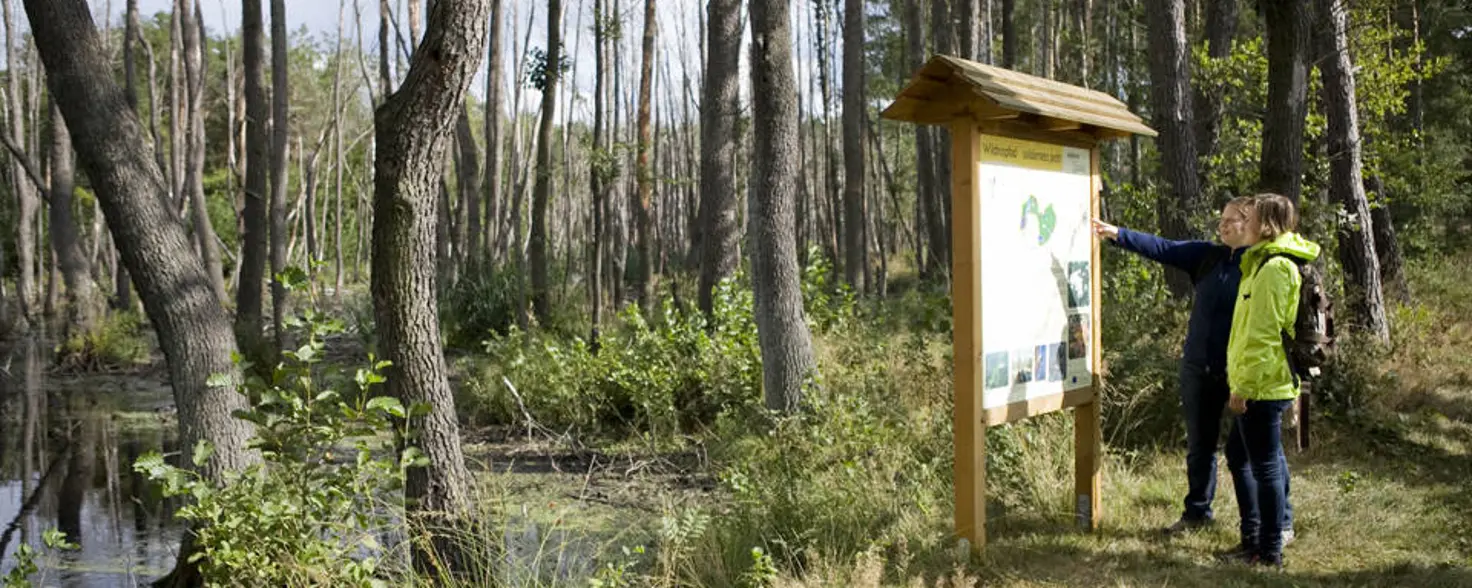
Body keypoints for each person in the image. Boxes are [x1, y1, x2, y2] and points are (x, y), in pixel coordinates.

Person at [1092, 202, 1293, 540]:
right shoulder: (1208, 256)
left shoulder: (1260, 265)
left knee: (1259, 451)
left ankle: (1280, 523)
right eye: (1222, 219)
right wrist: (1116, 234)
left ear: (1252, 224)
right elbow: (1164, 248)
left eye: (1232, 221)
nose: (1223, 226)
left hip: (1241, 374)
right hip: (1199, 368)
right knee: (1200, 446)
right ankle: (1198, 512)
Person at [1222, 193, 1319, 568]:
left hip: (1263, 384)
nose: (1242, 224)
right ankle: (1256, 539)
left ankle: (1267, 551)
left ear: (1266, 225)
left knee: (1263, 466)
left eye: (1250, 219)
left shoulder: (1275, 268)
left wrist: (1242, 387)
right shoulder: (1261, 263)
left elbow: (1261, 336)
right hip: (1263, 381)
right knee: (1244, 456)